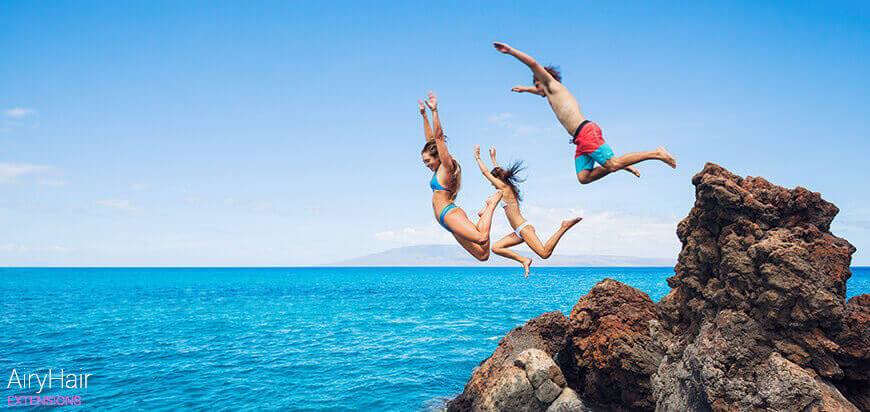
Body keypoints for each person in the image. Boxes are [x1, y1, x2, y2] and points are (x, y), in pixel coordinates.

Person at [493, 42, 677, 185]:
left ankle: (656, 153)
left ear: (542, 80)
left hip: (586, 132)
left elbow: (533, 64)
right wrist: (525, 90)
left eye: (536, 84)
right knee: (584, 177)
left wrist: (510, 51)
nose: (537, 88)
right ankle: (621, 165)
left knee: (612, 164)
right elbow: (539, 92)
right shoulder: (548, 91)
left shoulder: (552, 85)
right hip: (580, 139)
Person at [473, 145, 582, 276]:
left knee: (544, 253)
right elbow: (499, 173)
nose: (492, 183)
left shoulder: (504, 188)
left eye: (493, 181)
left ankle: (564, 226)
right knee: (496, 248)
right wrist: (493, 158)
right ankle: (524, 260)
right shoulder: (504, 186)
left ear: (498, 180)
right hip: (518, 231)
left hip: (524, 229)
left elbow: (485, 173)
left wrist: (478, 157)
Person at [420, 91, 502, 261]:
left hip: (450, 214)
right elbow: (431, 140)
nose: (427, 165)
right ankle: (483, 217)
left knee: (481, 238)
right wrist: (423, 116)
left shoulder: (446, 167)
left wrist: (434, 111)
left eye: (428, 161)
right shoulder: (437, 169)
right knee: (483, 255)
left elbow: (438, 137)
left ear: (438, 157)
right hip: (446, 221)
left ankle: (491, 205)